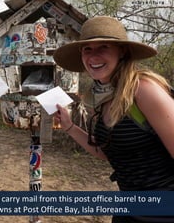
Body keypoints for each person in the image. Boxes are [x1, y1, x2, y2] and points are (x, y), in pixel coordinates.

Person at [53, 16, 174, 223]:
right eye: (87, 49)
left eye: (103, 47)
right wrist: (70, 127)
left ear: (122, 51)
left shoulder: (143, 90)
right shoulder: (98, 97)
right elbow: (108, 153)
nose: (93, 56)